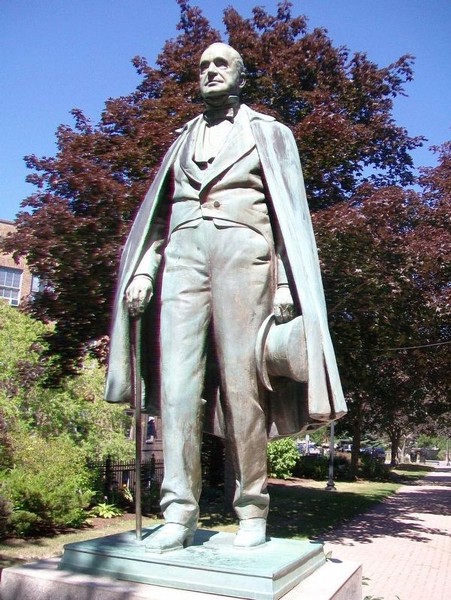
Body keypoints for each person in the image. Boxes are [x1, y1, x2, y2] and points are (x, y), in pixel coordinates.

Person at [105, 42, 346, 552]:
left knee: (243, 388)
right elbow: (157, 218)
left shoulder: (270, 133)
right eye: (203, 67)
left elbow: (289, 217)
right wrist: (145, 269)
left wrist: (284, 283)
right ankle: (178, 512)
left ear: (240, 76)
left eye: (221, 65)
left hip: (245, 257)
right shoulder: (180, 141)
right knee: (175, 387)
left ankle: (252, 510)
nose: (211, 72)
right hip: (183, 259)